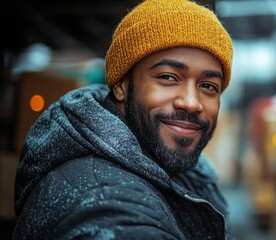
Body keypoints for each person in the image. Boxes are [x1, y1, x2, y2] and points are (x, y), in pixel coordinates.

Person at [13, 0, 234, 239]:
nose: (192, 103)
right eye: (168, 77)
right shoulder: (106, 203)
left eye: (208, 85)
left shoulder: (174, 166)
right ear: (121, 85)